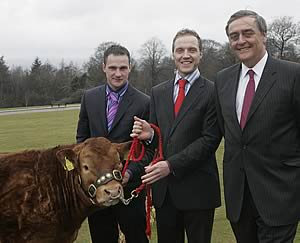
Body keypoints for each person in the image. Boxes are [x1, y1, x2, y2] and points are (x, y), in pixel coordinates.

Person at [124, 29, 222, 243]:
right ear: (172, 54)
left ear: (200, 55)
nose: (185, 55)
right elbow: (157, 142)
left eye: (192, 50)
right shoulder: (158, 92)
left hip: (198, 192)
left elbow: (209, 141)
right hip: (165, 193)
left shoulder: (213, 91)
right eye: (180, 50)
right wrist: (149, 136)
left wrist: (170, 165)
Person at [215, 10, 300, 243]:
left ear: (264, 35)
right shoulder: (223, 80)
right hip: (239, 199)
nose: (240, 40)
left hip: (279, 196)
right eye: (234, 36)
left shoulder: (293, 74)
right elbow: (226, 131)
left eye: (247, 33)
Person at [76, 44, 150, 243]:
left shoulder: (144, 102)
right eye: (113, 68)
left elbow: (149, 150)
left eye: (123, 68)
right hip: (98, 189)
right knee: (102, 238)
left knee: (136, 238)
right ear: (103, 67)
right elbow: (81, 142)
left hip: (128, 187)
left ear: (130, 68)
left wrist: (130, 173)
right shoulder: (89, 98)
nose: (118, 73)